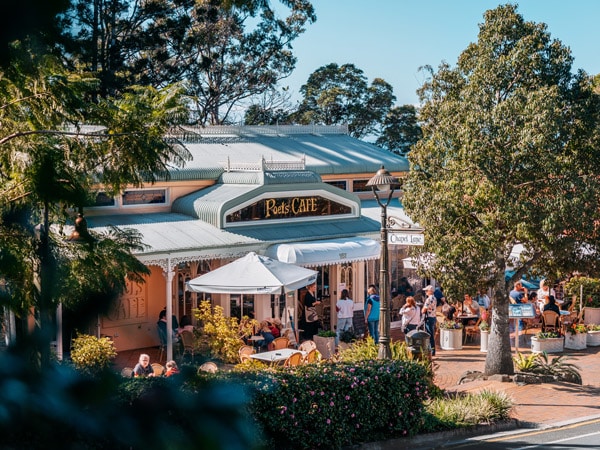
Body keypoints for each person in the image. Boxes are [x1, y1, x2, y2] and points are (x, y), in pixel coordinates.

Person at [422, 285, 437, 356]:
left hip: (429, 318)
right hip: (433, 317)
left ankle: (432, 350)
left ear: (430, 291)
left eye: (426, 291)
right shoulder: (434, 298)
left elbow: (424, 309)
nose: (425, 292)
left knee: (429, 334)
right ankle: (432, 350)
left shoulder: (429, 299)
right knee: (431, 333)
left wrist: (422, 310)